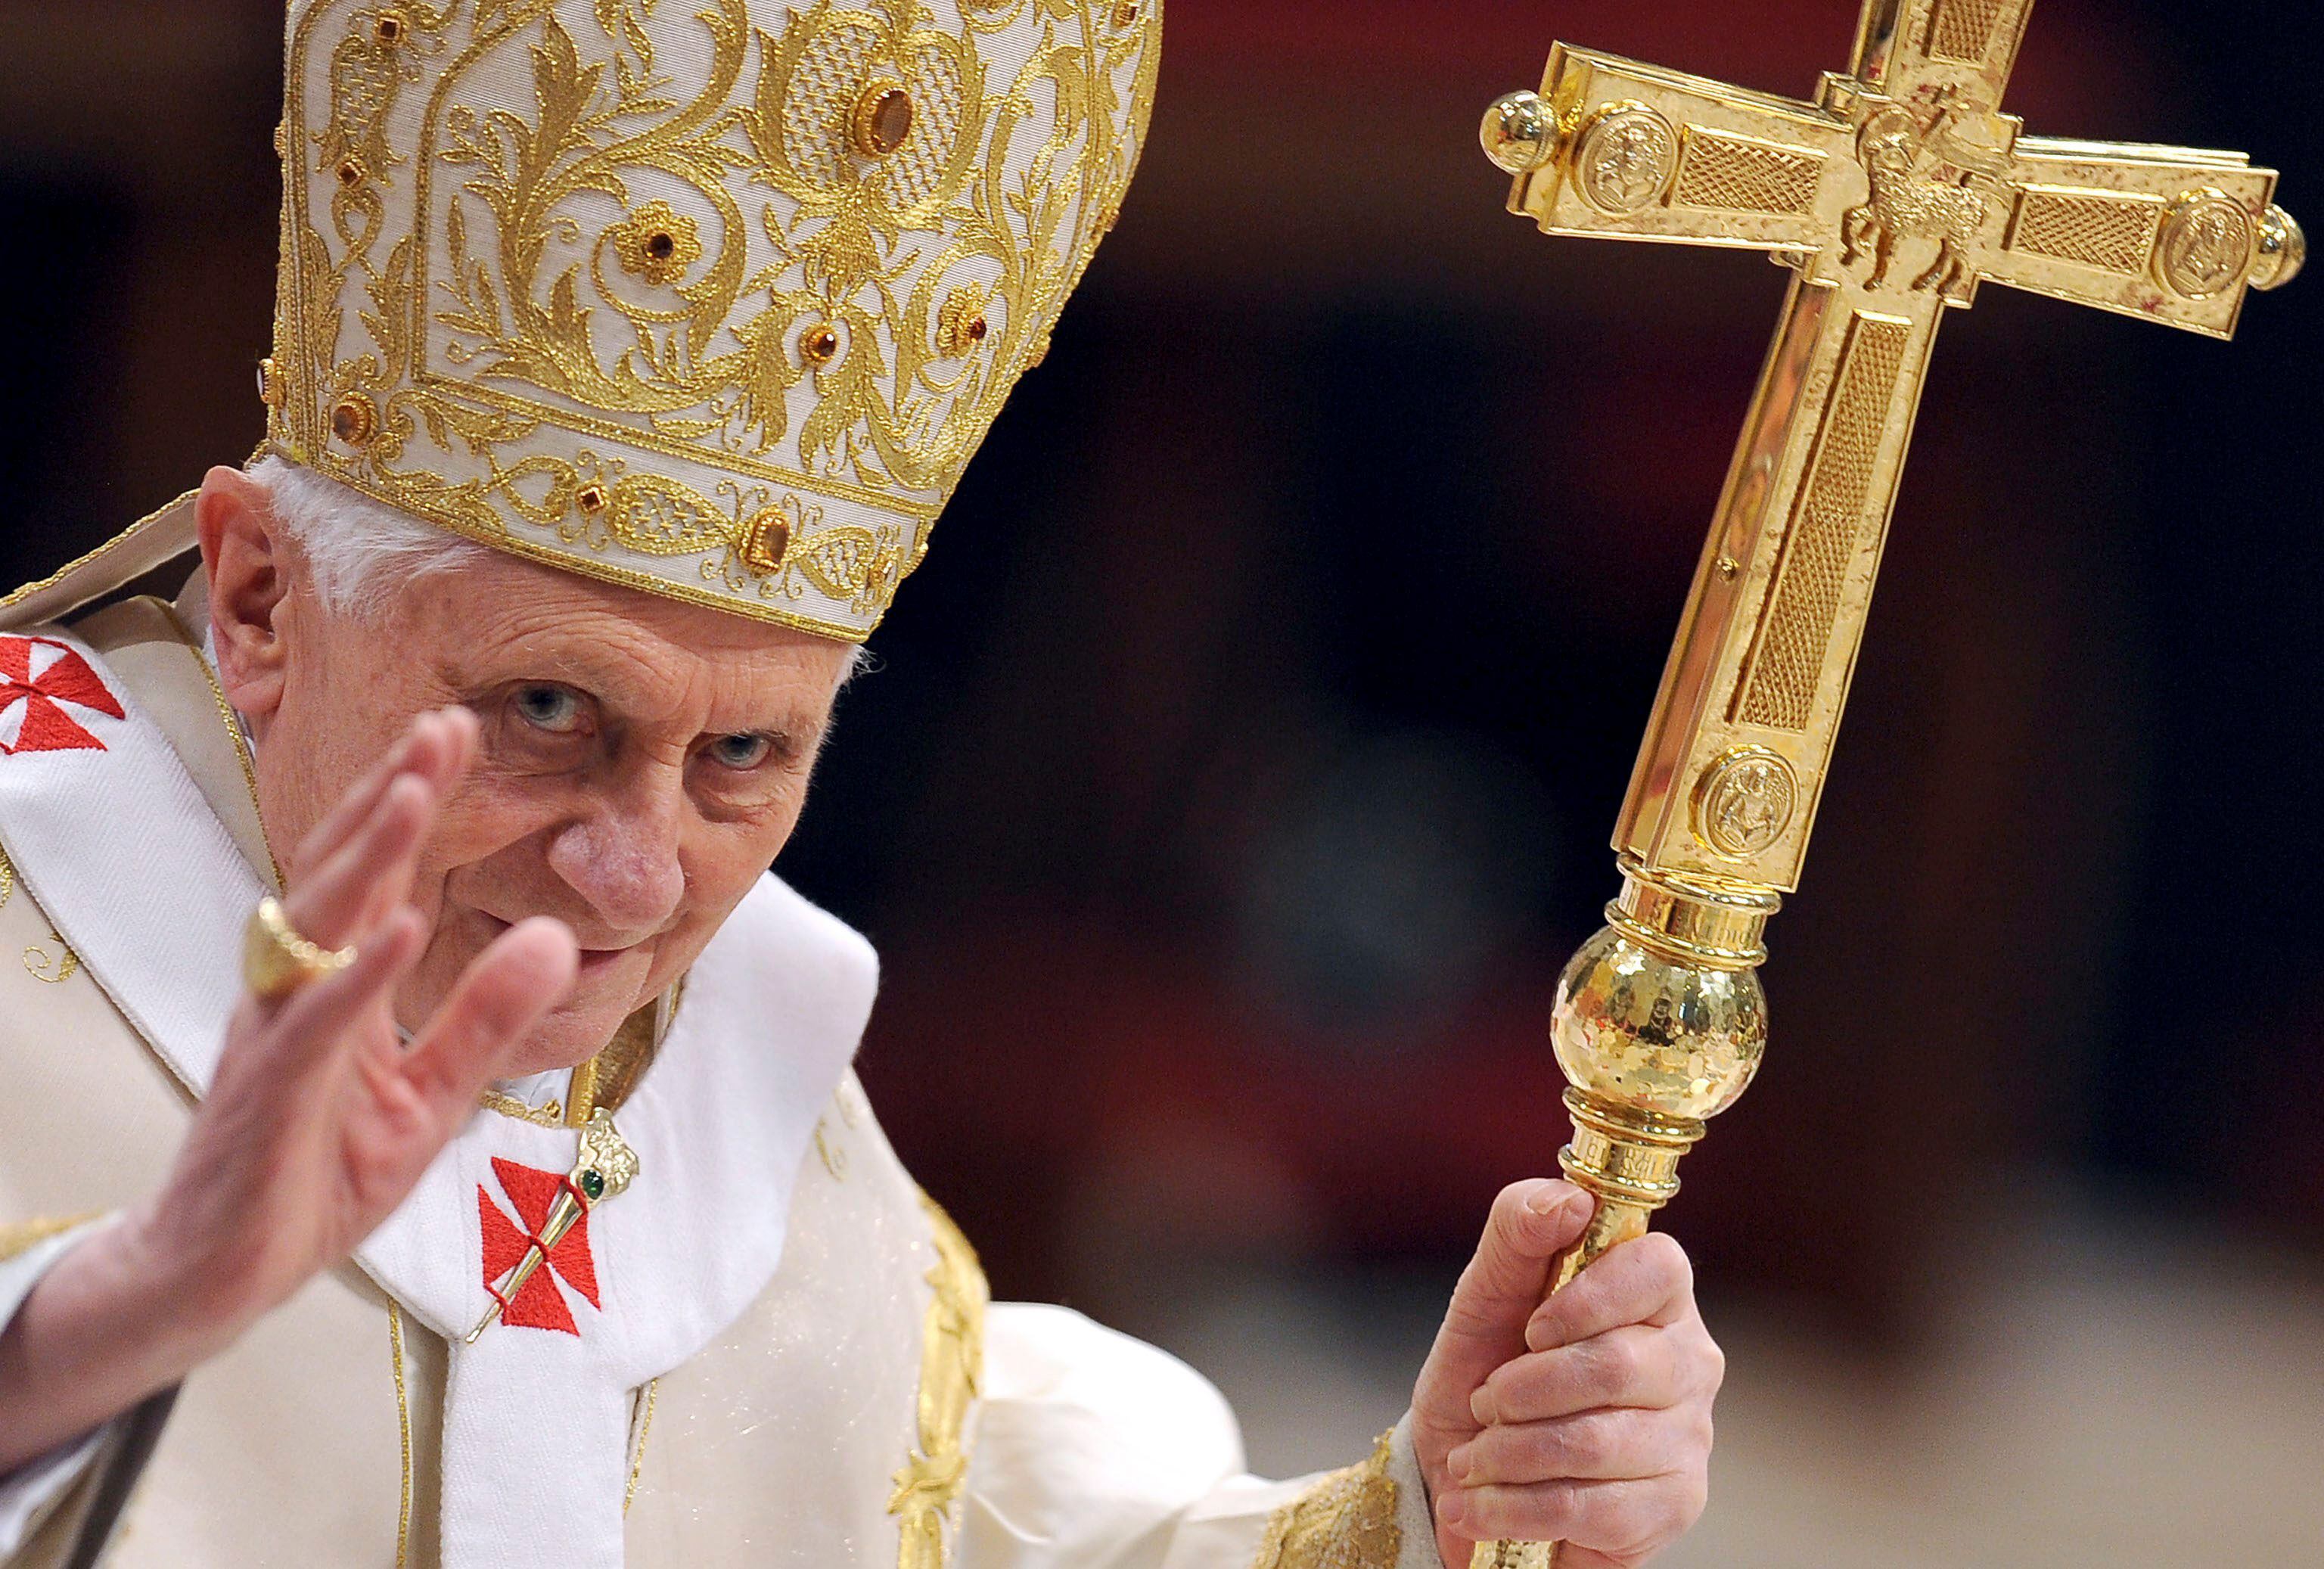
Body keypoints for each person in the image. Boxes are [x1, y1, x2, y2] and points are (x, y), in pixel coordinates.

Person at [0, 2, 1723, 1564]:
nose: (634, 875)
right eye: (544, 706)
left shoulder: (764, 1107)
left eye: (742, 752)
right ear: (257, 600)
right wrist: (102, 1325)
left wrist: (1434, 1505)